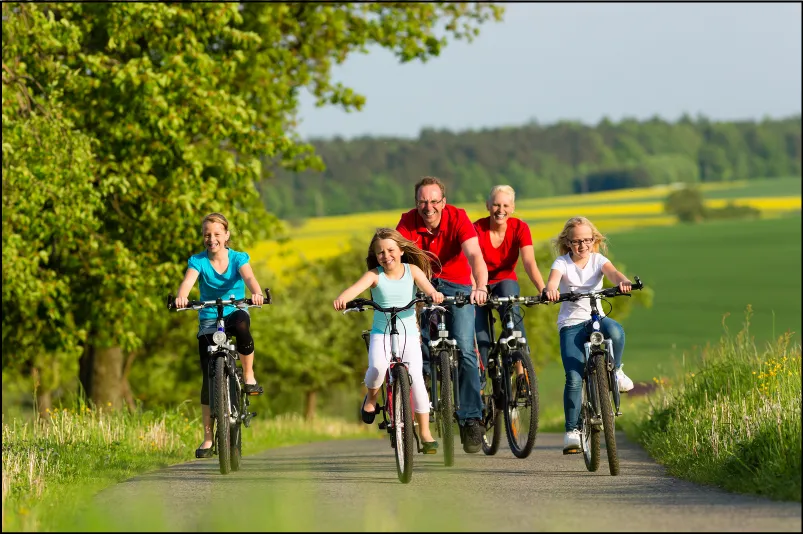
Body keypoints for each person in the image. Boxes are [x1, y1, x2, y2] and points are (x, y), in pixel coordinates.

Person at [396, 176, 489, 454]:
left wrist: (481, 286)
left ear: (443, 202)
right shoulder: (407, 222)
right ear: (416, 203)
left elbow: (474, 255)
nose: (429, 207)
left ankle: (472, 418)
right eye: (423, 201)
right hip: (422, 284)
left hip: (458, 283)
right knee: (415, 345)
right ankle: (420, 397)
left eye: (434, 201)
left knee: (465, 348)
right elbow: (395, 257)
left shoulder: (458, 217)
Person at [333, 228, 444, 454]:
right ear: (376, 256)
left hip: (409, 335)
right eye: (380, 252)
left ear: (401, 250)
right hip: (381, 333)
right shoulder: (375, 275)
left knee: (418, 383)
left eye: (391, 250)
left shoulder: (412, 271)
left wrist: (434, 295)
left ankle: (424, 433)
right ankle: (371, 398)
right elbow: (354, 290)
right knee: (377, 368)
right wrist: (343, 299)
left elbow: (428, 289)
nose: (386, 255)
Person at [174, 212, 265, 459]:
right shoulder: (198, 261)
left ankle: (248, 376)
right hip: (209, 318)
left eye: (216, 234)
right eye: (206, 234)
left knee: (243, 326)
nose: (211, 238)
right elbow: (188, 282)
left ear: (226, 235)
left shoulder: (238, 258)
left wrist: (256, 293)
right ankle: (206, 438)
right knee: (207, 379)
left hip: (235, 311)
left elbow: (249, 277)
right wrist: (182, 297)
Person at [543, 216, 636, 454]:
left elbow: (613, 274)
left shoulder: (598, 260)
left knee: (615, 330)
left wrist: (623, 282)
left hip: (596, 318)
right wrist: (551, 290)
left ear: (594, 240)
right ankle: (572, 431)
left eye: (587, 240)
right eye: (576, 241)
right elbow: (553, 280)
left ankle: (615, 371)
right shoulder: (562, 263)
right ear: (568, 243)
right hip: (571, 324)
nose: (582, 245)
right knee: (574, 378)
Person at [473, 185, 546, 392]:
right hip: (479, 282)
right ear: (488, 206)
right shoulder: (477, 229)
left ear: (512, 208)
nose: (500, 209)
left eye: (505, 205)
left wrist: (542, 289)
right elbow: (470, 262)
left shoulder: (520, 228)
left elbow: (529, 262)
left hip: (504, 280)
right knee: (481, 336)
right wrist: (477, 288)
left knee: (512, 312)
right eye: (496, 204)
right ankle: (480, 387)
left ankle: (521, 371)